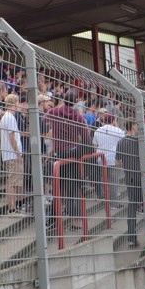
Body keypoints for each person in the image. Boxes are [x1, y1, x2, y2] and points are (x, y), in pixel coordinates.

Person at [45, 89, 92, 231]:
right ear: (76, 101)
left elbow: (43, 118)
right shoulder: (77, 116)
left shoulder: (54, 112)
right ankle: (76, 222)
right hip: (72, 155)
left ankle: (52, 220)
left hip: (59, 155)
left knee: (59, 189)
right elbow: (86, 139)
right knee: (73, 189)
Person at [115, 119, 142, 248]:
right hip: (140, 177)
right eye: (136, 124)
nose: (137, 127)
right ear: (133, 126)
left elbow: (117, 161)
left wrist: (126, 165)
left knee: (132, 207)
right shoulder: (138, 141)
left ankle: (132, 238)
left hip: (129, 177)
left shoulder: (121, 142)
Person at [0, 93, 26, 214]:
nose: (19, 105)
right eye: (18, 103)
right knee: (12, 181)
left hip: (10, 154)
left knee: (13, 181)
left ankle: (15, 206)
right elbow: (12, 138)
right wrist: (18, 154)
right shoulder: (10, 117)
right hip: (12, 154)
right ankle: (12, 208)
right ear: (14, 104)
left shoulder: (7, 117)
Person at [93, 113, 125, 208]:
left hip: (101, 158)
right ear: (114, 120)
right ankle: (113, 203)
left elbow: (95, 145)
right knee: (113, 182)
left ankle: (104, 199)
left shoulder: (98, 130)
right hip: (114, 158)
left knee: (103, 179)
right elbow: (123, 143)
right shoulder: (118, 130)